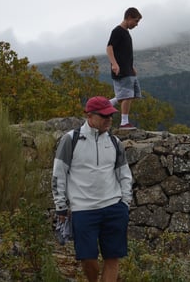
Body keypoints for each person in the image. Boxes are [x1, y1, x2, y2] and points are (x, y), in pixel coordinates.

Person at [52, 96, 133, 282]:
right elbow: (59, 174)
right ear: (89, 115)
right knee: (88, 260)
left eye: (111, 115)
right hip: (83, 210)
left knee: (112, 259)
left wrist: (125, 204)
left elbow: (124, 174)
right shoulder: (70, 140)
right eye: (104, 116)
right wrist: (61, 206)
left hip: (114, 207)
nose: (109, 119)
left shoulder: (114, 142)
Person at [106, 7, 142, 129]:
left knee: (132, 94)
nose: (136, 25)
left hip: (128, 70)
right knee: (127, 95)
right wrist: (114, 64)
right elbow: (109, 48)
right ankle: (124, 122)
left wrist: (132, 66)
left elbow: (125, 53)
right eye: (136, 21)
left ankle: (108, 103)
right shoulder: (117, 31)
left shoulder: (126, 33)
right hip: (121, 71)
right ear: (128, 17)